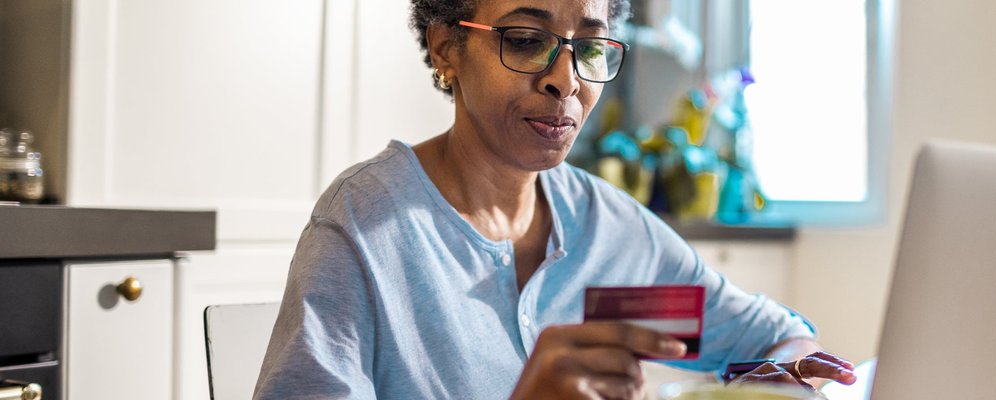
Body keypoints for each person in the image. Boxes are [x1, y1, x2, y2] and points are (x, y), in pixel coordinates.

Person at [253, 0, 856, 398]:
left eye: (589, 47)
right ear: (445, 47)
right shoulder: (363, 231)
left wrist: (784, 382)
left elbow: (784, 343)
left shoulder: (611, 231)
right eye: (524, 38)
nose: (565, 79)